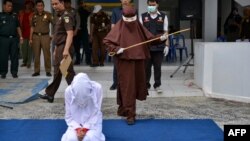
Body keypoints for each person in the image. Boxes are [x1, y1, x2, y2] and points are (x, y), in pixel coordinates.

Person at [103, 6, 168, 125]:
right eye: (127, 20)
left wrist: (160, 38)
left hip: (139, 60)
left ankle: (125, 109)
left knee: (135, 86)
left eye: (132, 20)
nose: (130, 23)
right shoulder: (119, 26)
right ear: (123, 18)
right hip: (124, 61)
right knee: (128, 87)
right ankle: (130, 114)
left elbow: (149, 39)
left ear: (135, 18)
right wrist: (116, 48)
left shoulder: (138, 25)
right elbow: (107, 41)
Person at [39, 0, 75, 103]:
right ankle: (50, 94)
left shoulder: (66, 16)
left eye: (56, 3)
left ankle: (76, 95)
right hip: (59, 47)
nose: (54, 6)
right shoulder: (58, 16)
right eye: (52, 4)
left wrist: (66, 50)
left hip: (64, 47)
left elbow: (70, 34)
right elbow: (57, 34)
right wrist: (55, 49)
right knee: (57, 72)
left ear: (62, 3)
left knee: (68, 72)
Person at [61, 73, 105, 141]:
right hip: (75, 123)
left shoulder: (97, 88)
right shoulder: (68, 91)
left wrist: (85, 128)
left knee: (87, 139)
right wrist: (78, 128)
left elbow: (97, 112)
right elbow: (68, 116)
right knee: (71, 139)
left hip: (94, 122)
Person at [140, 0, 169, 93]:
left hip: (159, 47)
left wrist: (167, 45)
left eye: (153, 4)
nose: (151, 6)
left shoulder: (163, 16)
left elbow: (166, 32)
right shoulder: (143, 16)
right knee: (146, 68)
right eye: (150, 5)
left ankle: (157, 85)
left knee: (158, 67)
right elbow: (140, 33)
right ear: (147, 5)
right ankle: (146, 85)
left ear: (157, 5)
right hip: (147, 47)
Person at [109, 0, 133, 90]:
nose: (125, 0)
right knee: (116, 62)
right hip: (118, 39)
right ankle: (115, 82)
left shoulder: (133, 10)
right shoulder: (116, 11)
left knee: (128, 62)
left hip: (129, 40)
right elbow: (113, 26)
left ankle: (127, 82)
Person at [0, 0, 23, 79]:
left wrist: (21, 37)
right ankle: (3, 73)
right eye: (8, 6)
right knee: (3, 57)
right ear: (4, 6)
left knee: (14, 56)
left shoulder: (14, 15)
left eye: (11, 6)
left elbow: (18, 27)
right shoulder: (0, 15)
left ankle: (14, 72)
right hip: (3, 39)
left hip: (13, 39)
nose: (10, 7)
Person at [30, 0, 54, 77]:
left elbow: (55, 24)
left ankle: (48, 71)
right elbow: (32, 27)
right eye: (38, 6)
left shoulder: (48, 14)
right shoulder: (33, 15)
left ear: (43, 6)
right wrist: (30, 38)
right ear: (36, 7)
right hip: (36, 36)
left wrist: (53, 34)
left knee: (47, 54)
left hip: (45, 36)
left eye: (41, 5)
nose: (40, 7)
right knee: (36, 54)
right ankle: (36, 71)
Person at [64, 0, 81, 65]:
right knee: (67, 46)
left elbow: (78, 21)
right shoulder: (63, 11)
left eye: (67, 3)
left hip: (73, 29)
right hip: (65, 30)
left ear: (70, 3)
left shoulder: (74, 11)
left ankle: (78, 60)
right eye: (65, 3)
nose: (66, 4)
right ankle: (67, 62)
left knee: (76, 46)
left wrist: (76, 30)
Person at [74, 1, 91, 65]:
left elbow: (90, 11)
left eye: (81, 4)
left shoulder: (85, 11)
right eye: (80, 4)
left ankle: (88, 61)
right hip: (77, 30)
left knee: (86, 46)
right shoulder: (75, 12)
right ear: (78, 5)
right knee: (77, 47)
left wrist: (85, 6)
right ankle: (78, 60)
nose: (80, 5)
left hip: (84, 30)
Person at [18, 0, 34, 69]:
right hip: (23, 33)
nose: (28, 5)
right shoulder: (21, 13)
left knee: (30, 49)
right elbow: (18, 23)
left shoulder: (33, 13)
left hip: (30, 33)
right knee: (23, 49)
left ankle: (28, 63)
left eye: (30, 4)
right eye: (27, 4)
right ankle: (24, 61)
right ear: (25, 5)